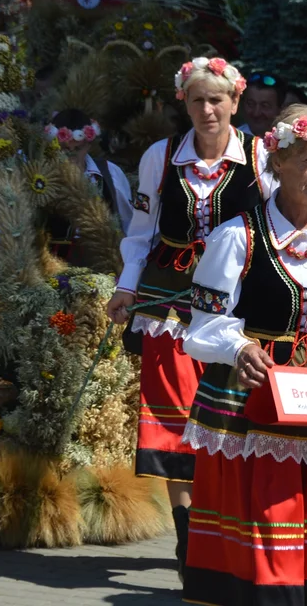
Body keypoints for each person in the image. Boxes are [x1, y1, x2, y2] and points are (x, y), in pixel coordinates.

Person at [180, 105, 307, 604]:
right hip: (253, 394)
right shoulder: (237, 236)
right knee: (270, 511)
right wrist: (240, 344)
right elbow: (201, 326)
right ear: (279, 162)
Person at [105, 56, 275, 577]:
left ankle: (221, 529)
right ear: (184, 101)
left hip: (234, 304)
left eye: (217, 99)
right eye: (198, 99)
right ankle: (186, 537)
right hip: (168, 302)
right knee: (174, 418)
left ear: (235, 102)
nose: (208, 109)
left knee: (228, 411)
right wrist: (126, 288)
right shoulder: (161, 156)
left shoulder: (260, 155)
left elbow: (275, 224)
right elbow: (141, 231)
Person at [42, 109, 134, 261]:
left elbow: (128, 224)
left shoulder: (110, 173)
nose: (71, 154)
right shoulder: (41, 176)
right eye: (64, 148)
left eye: (78, 149)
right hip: (53, 266)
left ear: (89, 145)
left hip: (102, 266)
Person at [239, 71, 287, 137]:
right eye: (251, 104)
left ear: (281, 109)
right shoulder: (234, 140)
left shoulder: (290, 141)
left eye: (265, 106)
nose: (256, 113)